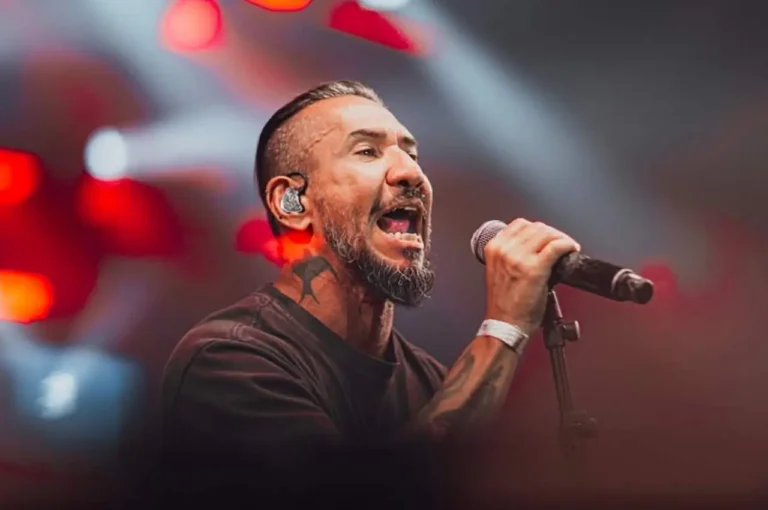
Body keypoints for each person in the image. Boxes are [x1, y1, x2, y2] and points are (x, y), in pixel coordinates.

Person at [159, 80, 580, 507]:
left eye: (412, 154)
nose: (411, 173)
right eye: (367, 151)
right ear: (292, 202)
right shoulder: (228, 361)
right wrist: (503, 329)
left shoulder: (432, 382)